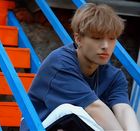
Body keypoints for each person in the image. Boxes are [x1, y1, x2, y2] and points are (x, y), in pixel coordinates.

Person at [20, 3, 140, 131]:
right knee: (72, 111)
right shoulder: (60, 63)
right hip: (38, 126)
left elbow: (123, 109)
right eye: (97, 38)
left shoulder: (114, 76)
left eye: (111, 39)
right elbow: (94, 108)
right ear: (78, 39)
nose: (105, 45)